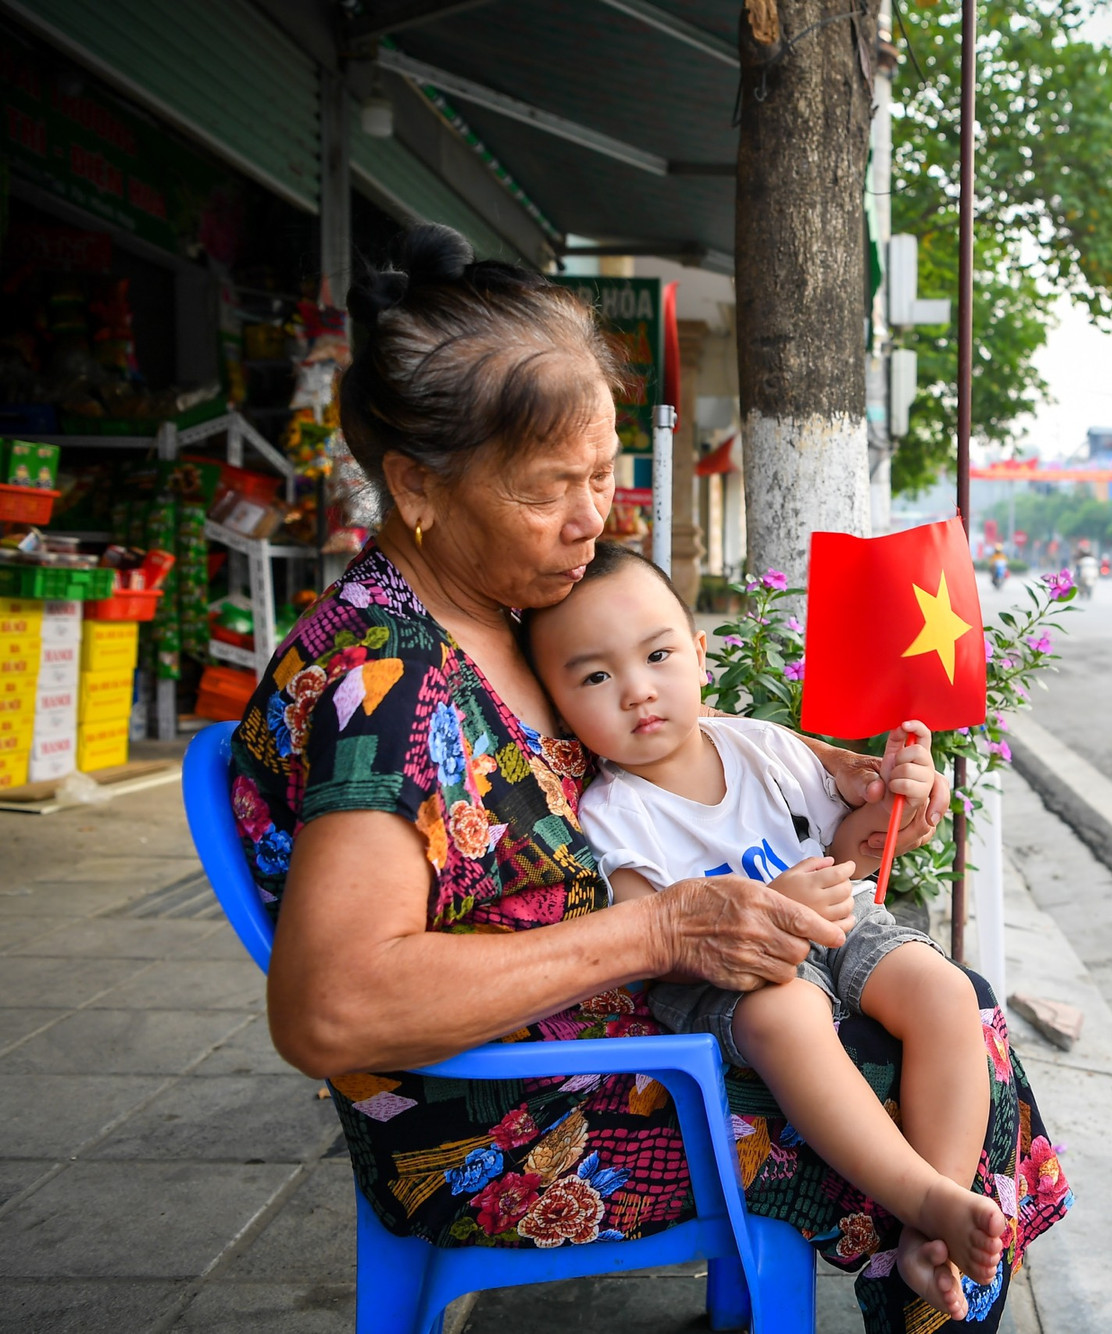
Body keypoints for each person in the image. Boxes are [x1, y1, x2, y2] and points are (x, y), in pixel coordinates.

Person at [230, 224, 1068, 1332]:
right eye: (548, 489)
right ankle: (936, 1274)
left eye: (602, 472)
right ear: (415, 486)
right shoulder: (384, 688)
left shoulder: (504, 613)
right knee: (935, 1070)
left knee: (943, 1009)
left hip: (615, 1033)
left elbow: (666, 768)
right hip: (508, 1121)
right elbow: (331, 1009)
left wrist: (847, 788)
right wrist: (659, 931)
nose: (598, 518)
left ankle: (932, 1262)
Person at [522, 545, 1002, 1317]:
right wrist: (764, 904)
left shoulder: (763, 747)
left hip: (841, 925)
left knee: (945, 990)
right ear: (558, 702)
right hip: (732, 980)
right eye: (595, 677)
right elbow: (652, 948)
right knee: (790, 1012)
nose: (638, 691)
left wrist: (896, 798)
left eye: (657, 655)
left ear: (699, 656)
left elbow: (849, 851)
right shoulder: (614, 813)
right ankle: (922, 1194)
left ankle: (933, 1213)